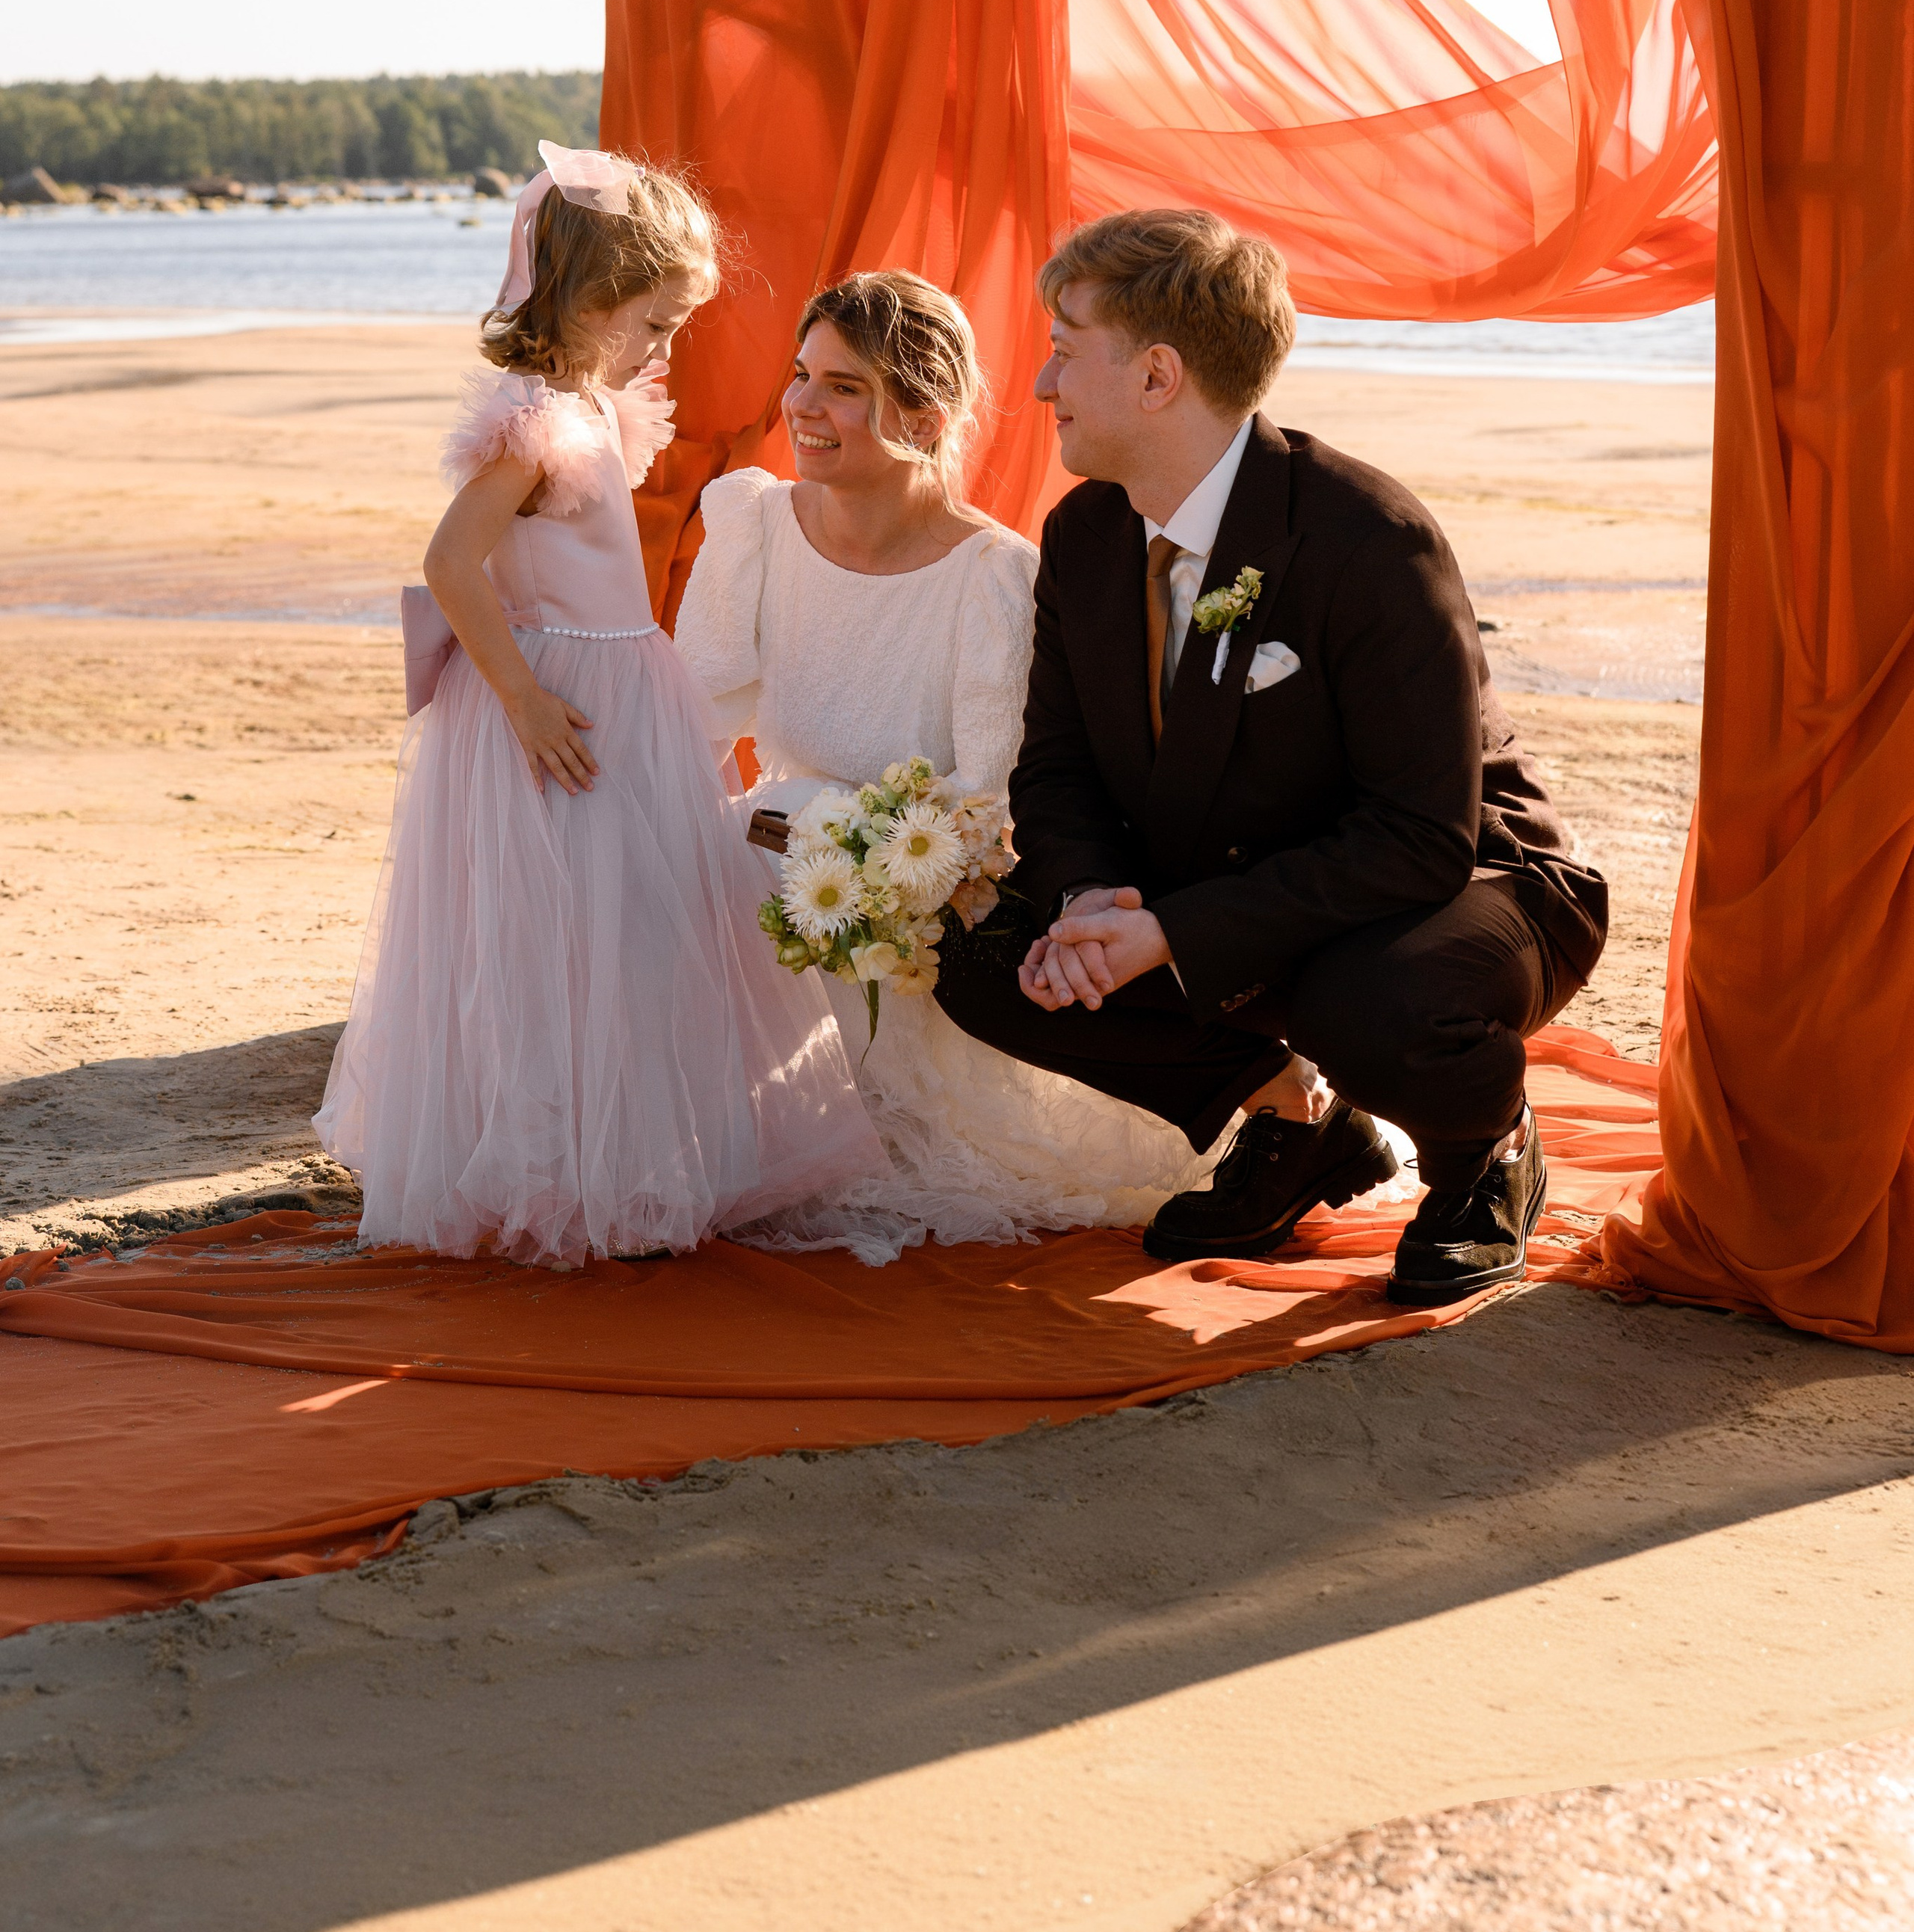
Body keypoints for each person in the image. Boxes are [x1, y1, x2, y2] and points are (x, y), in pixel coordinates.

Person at [932, 208, 1609, 1303]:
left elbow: (1420, 835)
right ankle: (1297, 1120)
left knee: (1364, 1002)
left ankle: (1485, 1149)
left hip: (1468, 887)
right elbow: (1056, 767)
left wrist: (1170, 933)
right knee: (984, 959)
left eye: (1063, 347)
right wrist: (1092, 901)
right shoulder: (1085, 536)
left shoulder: (1366, 537)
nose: (1045, 384)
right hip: (1237, 876)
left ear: (1158, 377)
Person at [314, 142, 884, 1262]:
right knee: (561, 936)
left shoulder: (588, 405)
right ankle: (559, 1171)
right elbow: (449, 564)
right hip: (561, 706)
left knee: (629, 930)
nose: (665, 347)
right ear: (589, 301)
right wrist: (522, 697)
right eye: (656, 323)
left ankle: (627, 1155)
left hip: (621, 686)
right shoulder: (536, 423)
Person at [673, 268, 1262, 1260]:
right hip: (774, 863)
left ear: (925, 412)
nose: (803, 408)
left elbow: (987, 803)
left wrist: (868, 860)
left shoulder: (993, 578)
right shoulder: (754, 528)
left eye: (845, 387)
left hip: (912, 899)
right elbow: (688, 718)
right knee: (716, 851)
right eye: (802, 374)